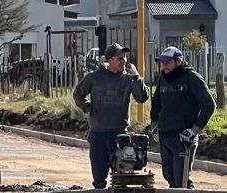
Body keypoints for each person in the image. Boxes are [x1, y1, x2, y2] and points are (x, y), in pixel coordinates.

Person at [73, 43, 149, 189]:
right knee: (99, 178)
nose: (124, 61)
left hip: (120, 135)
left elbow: (142, 98)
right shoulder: (94, 77)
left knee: (122, 179)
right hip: (98, 134)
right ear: (109, 60)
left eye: (125, 57)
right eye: (119, 58)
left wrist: (137, 77)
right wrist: (89, 107)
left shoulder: (128, 79)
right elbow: (78, 94)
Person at [150, 46, 216, 189]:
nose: (164, 66)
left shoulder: (192, 78)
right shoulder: (163, 78)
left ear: (178, 61)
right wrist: (154, 125)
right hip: (165, 136)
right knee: (169, 177)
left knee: (182, 179)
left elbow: (209, 106)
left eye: (167, 62)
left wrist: (193, 131)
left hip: (183, 138)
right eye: (162, 62)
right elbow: (156, 104)